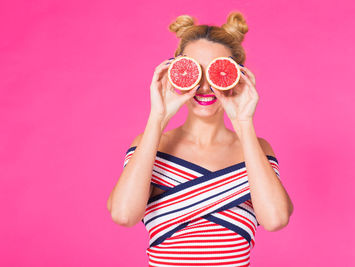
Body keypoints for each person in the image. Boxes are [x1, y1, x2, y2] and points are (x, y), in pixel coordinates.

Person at [107, 11, 294, 266]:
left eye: (218, 73)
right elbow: (123, 214)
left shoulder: (255, 149)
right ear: (176, 72)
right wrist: (158, 117)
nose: (205, 87)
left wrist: (243, 122)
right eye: (195, 71)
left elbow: (275, 219)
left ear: (237, 77)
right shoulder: (152, 144)